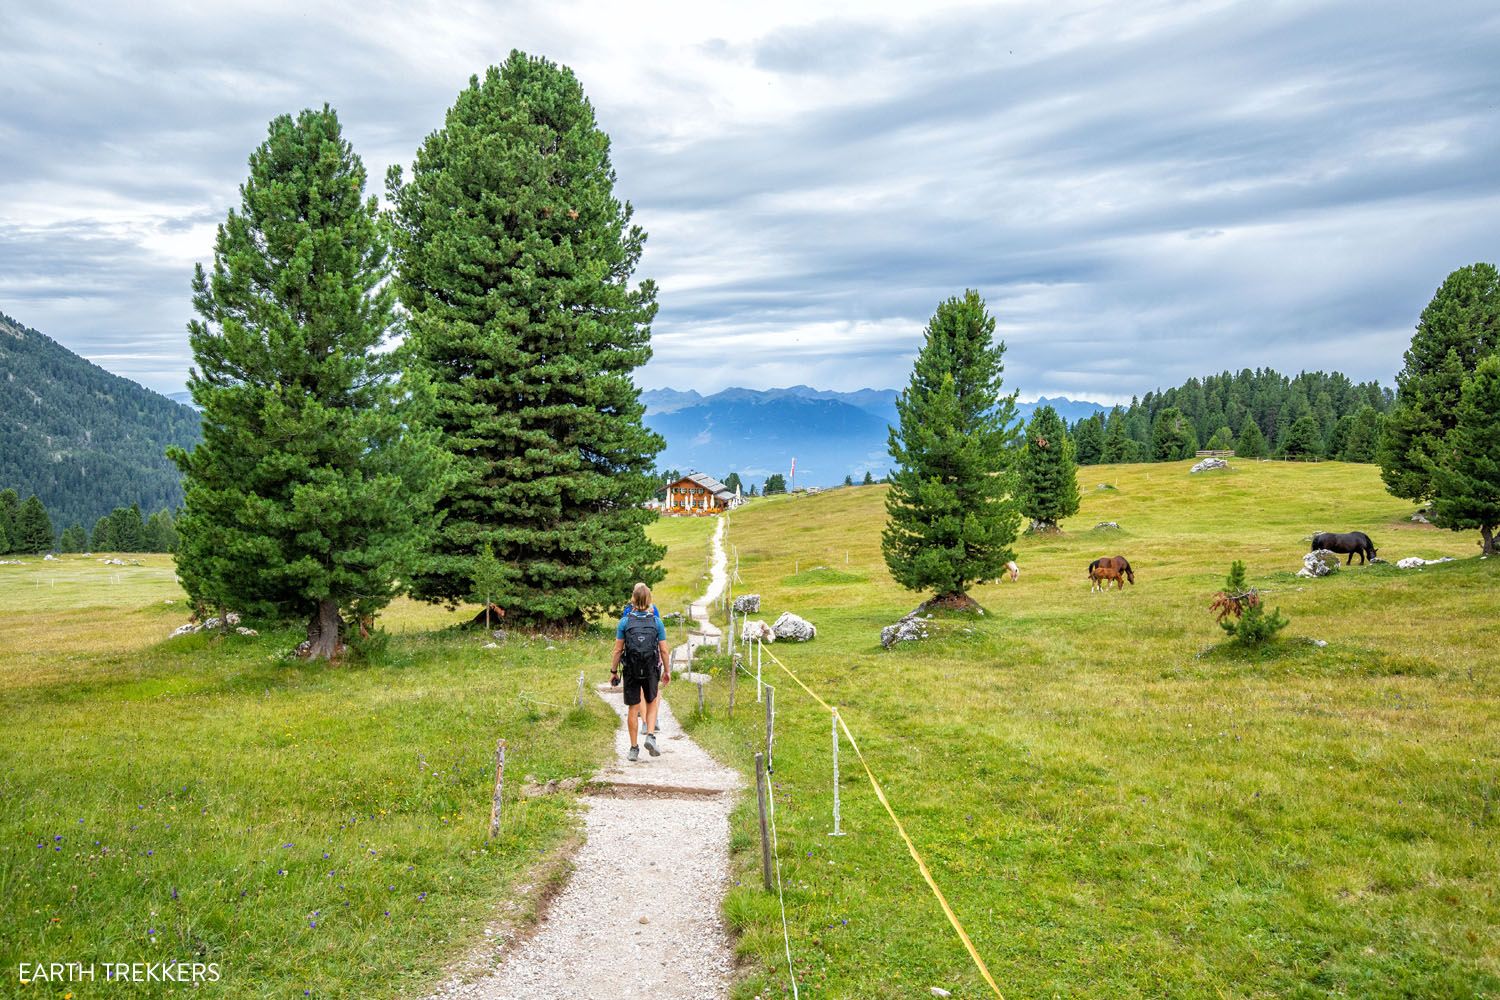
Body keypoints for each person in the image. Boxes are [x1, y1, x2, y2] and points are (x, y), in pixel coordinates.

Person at [611, 583, 671, 761]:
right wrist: (667, 671)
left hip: (631, 670)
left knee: (632, 708)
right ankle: (650, 735)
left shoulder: (625, 621)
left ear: (633, 600)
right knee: (652, 701)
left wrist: (613, 671)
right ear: (649, 599)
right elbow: (664, 650)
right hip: (651, 668)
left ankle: (633, 748)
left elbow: (617, 650)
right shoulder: (656, 621)